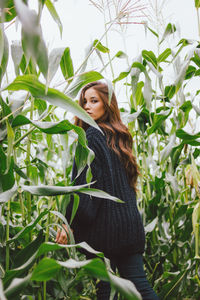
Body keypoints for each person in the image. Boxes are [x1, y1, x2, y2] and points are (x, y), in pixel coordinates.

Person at [56, 81, 159, 300]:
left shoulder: (91, 137)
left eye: (94, 101)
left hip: (105, 233)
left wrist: (68, 223)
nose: (87, 106)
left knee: (105, 292)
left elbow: (85, 188)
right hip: (130, 228)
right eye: (84, 102)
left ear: (107, 104)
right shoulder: (119, 137)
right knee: (141, 289)